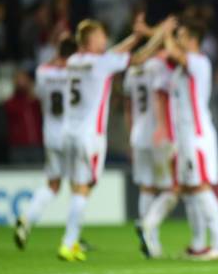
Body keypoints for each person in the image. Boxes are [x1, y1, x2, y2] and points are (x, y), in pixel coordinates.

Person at [58, 15, 173, 261]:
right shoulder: (101, 63)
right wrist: (159, 35)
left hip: (69, 132)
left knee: (81, 186)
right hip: (90, 135)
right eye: (100, 35)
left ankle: (72, 240)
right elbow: (138, 58)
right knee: (83, 187)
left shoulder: (74, 61)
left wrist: (137, 36)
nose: (104, 39)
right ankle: (69, 242)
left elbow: (112, 54)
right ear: (90, 40)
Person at [152, 18, 218, 261]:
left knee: (201, 187)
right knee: (190, 191)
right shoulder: (181, 69)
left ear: (192, 40)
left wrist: (164, 32)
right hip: (184, 140)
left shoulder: (199, 62)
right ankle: (198, 244)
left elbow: (172, 51)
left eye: (181, 35)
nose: (177, 39)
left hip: (197, 137)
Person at [14, 34, 77, 248]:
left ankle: (27, 218)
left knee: (52, 184)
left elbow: (37, 95)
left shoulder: (43, 72)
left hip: (50, 134)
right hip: (71, 134)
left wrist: (55, 56)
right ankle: (72, 236)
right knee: (78, 187)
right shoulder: (76, 72)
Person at [124, 46, 177, 258]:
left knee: (146, 188)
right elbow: (161, 97)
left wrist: (130, 136)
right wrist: (164, 129)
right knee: (171, 188)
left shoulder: (132, 71)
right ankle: (148, 228)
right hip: (158, 132)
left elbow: (128, 108)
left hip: (138, 134)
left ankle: (151, 243)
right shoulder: (158, 66)